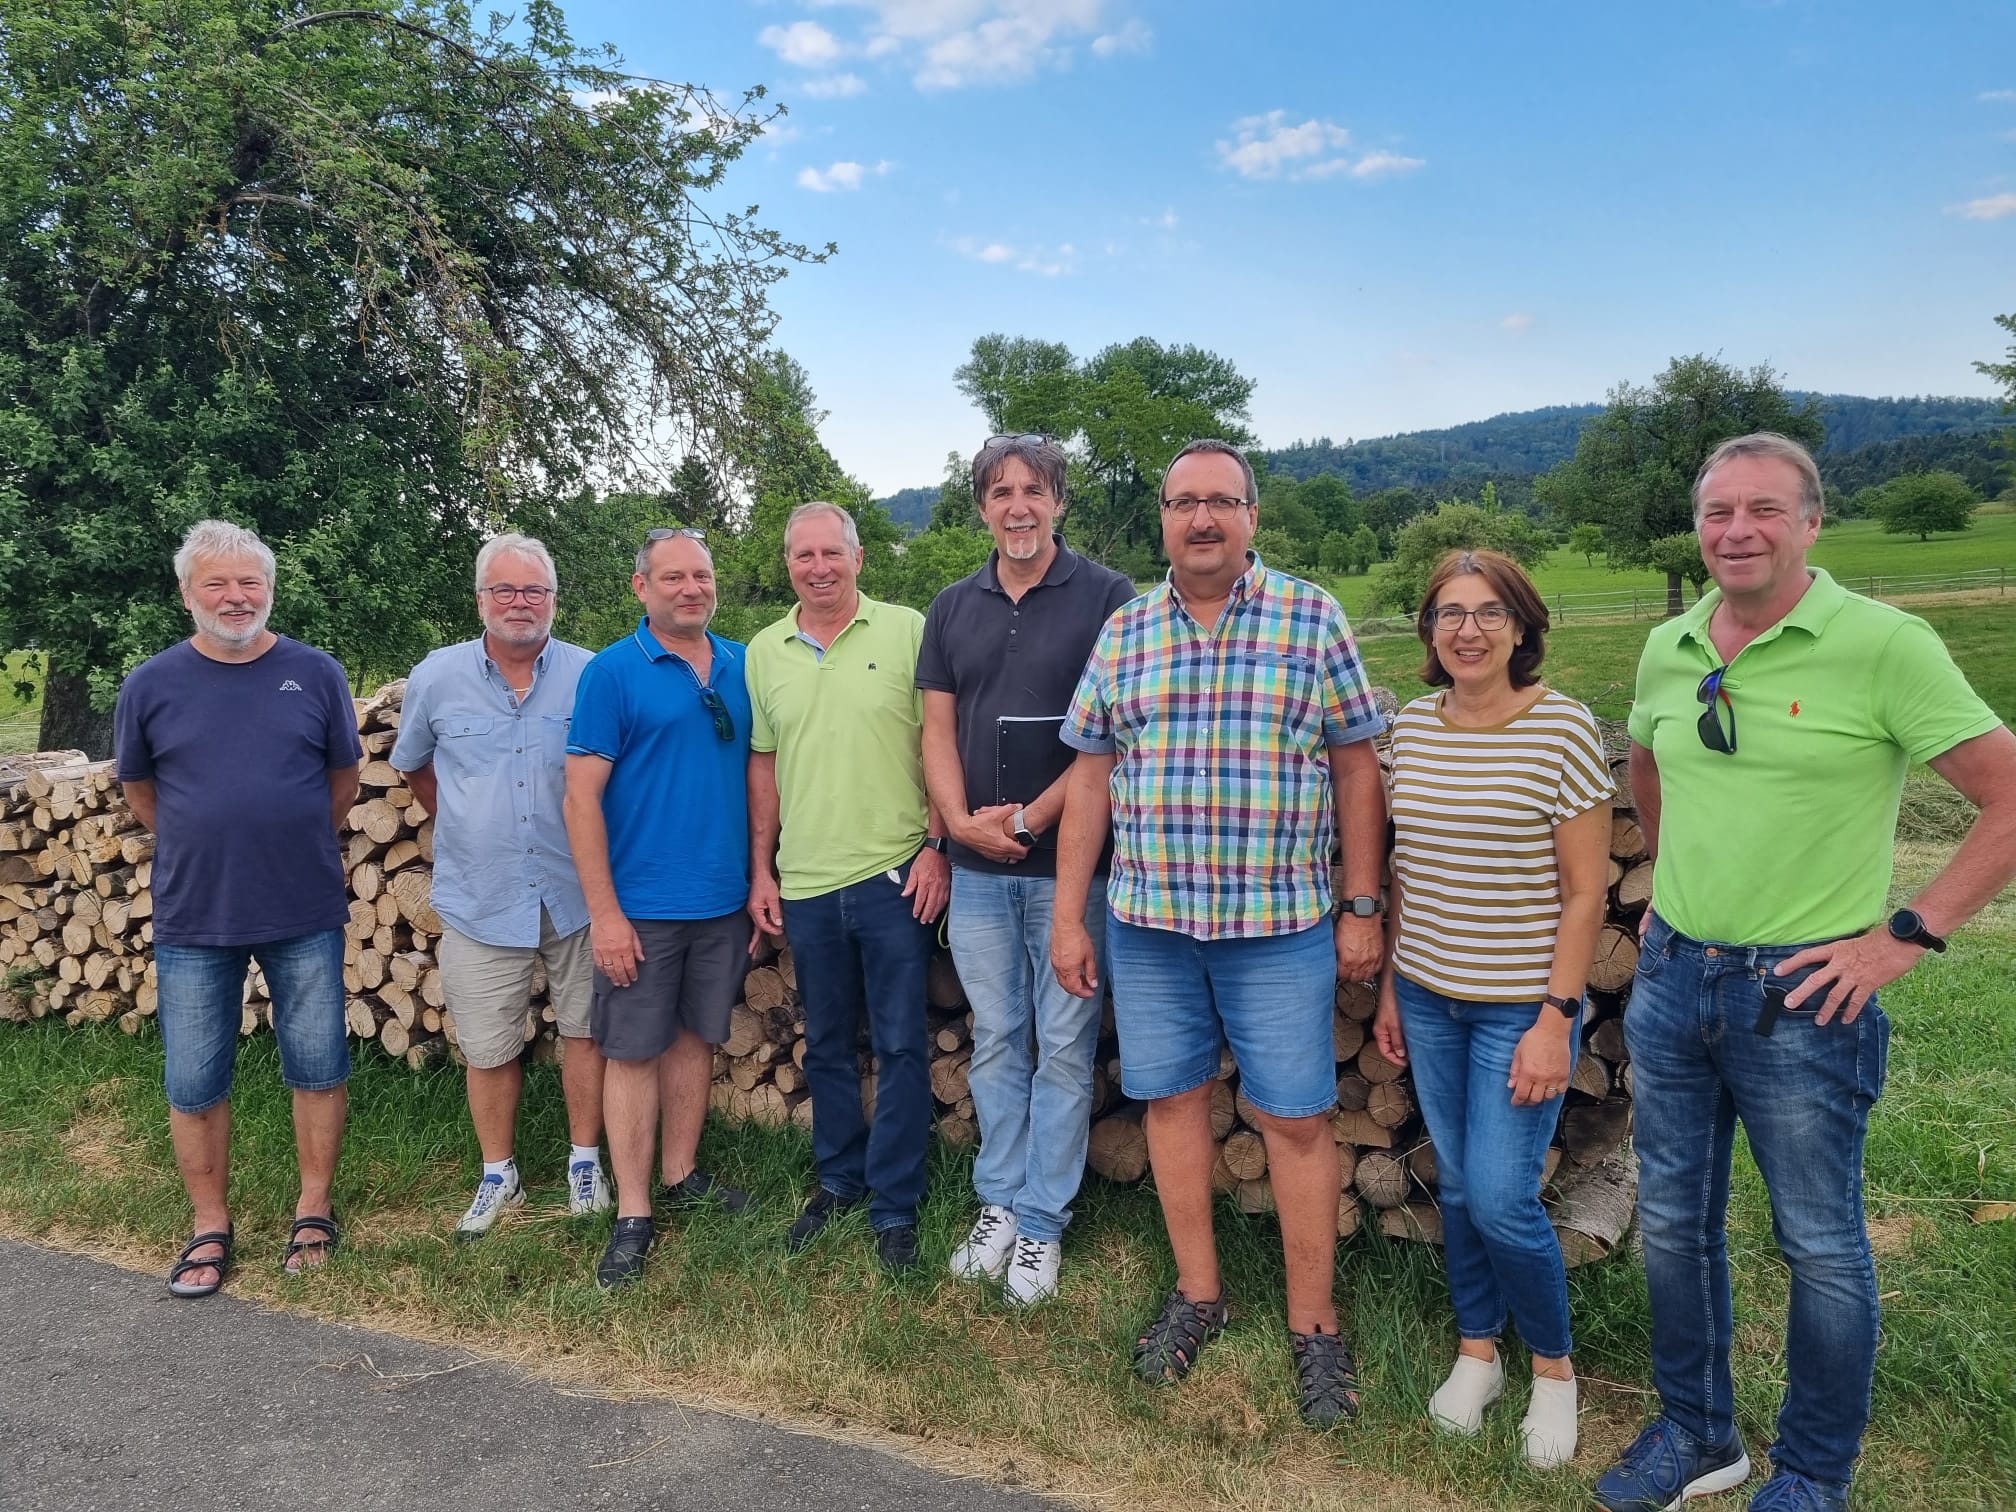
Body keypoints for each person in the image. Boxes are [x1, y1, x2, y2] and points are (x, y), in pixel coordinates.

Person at [1597, 433, 2016, 1512]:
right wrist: (1670, 890)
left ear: (1812, 522)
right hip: (1677, 976)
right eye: (1718, 511)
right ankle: (1698, 1435)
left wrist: (1902, 938)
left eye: (1765, 510)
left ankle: (1815, 1473)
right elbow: (1648, 759)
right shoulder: (1672, 642)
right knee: (1678, 1224)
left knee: (1820, 1242)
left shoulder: (1885, 645)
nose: (1737, 530)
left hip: (1805, 996)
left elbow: (2008, 798)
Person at [1051, 439, 1387, 1427]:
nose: (1202, 519)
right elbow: (1092, 777)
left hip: (1276, 924)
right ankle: (1199, 1294)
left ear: (1251, 515)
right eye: (1183, 502)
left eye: (1222, 502)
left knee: (1296, 1120)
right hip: (1150, 924)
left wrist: (1362, 904)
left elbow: (1358, 764)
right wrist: (1070, 915)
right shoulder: (1126, 633)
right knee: (1171, 1107)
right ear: (1162, 516)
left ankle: (1315, 1325)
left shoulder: (1309, 614)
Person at [1371, 548, 1613, 1468]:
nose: (1467, 630)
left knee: (1506, 1199)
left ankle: (1554, 1372)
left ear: (1522, 626)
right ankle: (1479, 1353)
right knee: (1464, 1186)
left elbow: (1586, 893)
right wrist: (1394, 983)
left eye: (1488, 613)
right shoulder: (1412, 732)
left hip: (1520, 1006)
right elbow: (1405, 869)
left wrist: (1557, 1018)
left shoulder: (1561, 730)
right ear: (1429, 631)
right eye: (1449, 614)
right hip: (1429, 996)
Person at [114, 519, 363, 1295]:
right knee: (194, 1078)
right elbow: (140, 792)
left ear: (270, 590)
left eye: (249, 582)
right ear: (187, 593)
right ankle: (208, 1224)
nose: (234, 597)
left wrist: (279, 839)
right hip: (196, 911)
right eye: (216, 584)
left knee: (318, 1065)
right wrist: (213, 837)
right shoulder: (150, 684)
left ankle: (314, 1207)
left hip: (303, 904)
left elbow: (343, 785)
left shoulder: (315, 672)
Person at [918, 434, 1137, 1303]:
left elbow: (1112, 737)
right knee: (999, 1039)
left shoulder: (1107, 598)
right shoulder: (950, 606)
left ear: (1059, 503)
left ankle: (1045, 1221)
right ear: (981, 506)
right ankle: (999, 1203)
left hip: (1069, 872)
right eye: (1001, 492)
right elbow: (936, 730)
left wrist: (1029, 818)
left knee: (1064, 1048)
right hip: (978, 872)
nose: (1018, 507)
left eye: (1034, 491)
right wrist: (963, 827)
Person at [746, 501, 950, 1272]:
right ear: (788, 565)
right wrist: (760, 867)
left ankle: (895, 1204)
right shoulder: (764, 652)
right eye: (804, 556)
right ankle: (838, 1180)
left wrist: (938, 845)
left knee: (901, 1044)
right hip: (805, 880)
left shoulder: (908, 629)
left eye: (833, 553)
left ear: (859, 559)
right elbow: (762, 765)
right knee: (825, 1041)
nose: (819, 567)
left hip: (894, 873)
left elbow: (940, 743)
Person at [392, 533, 608, 1239]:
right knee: (488, 1044)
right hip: (481, 895)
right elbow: (416, 766)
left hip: (576, 891)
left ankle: (585, 1160)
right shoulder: (437, 676)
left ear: (553, 599)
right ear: (481, 598)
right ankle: (499, 1173)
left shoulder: (590, 673)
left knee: (586, 1032)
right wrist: (464, 821)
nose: (521, 603)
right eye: (506, 591)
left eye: (535, 591)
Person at [564, 529, 754, 1291]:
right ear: (640, 587)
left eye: (701, 576)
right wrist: (605, 915)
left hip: (722, 899)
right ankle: (633, 1213)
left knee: (693, 1039)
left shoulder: (743, 663)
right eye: (672, 576)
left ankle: (682, 1174)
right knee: (633, 1050)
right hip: (639, 906)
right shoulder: (612, 673)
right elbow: (581, 799)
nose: (690, 588)